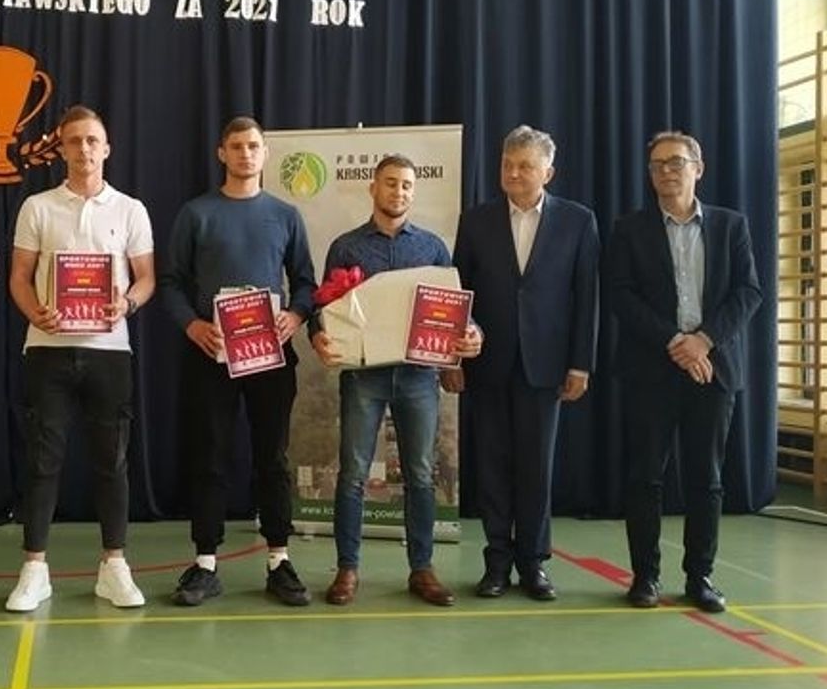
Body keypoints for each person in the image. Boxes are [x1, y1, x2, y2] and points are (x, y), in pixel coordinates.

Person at [309, 155, 483, 607]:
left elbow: (455, 311)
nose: (399, 192)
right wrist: (319, 337)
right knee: (352, 474)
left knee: (421, 475)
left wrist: (470, 335)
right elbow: (322, 309)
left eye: (406, 185)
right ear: (373, 188)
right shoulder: (345, 247)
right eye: (390, 183)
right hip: (363, 377)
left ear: (413, 192)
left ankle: (422, 568)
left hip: (418, 377)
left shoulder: (433, 248)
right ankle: (347, 569)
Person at [159, 116, 318, 607]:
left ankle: (278, 560)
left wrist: (295, 315)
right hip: (212, 354)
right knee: (209, 455)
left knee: (273, 457)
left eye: (253, 146)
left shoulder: (286, 215)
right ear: (221, 153)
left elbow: (306, 283)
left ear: (265, 153)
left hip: (270, 355)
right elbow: (171, 283)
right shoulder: (196, 213)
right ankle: (205, 563)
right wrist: (192, 325)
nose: (245, 154)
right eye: (236, 146)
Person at [4, 105, 155, 611]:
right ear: (61, 149)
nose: (84, 149)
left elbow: (146, 278)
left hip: (110, 352)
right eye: (74, 141)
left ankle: (114, 567)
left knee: (112, 461)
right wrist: (36, 312)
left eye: (92, 140)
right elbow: (19, 277)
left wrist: (127, 303)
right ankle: (34, 569)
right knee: (42, 460)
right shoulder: (37, 207)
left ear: (106, 148)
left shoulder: (130, 209)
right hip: (47, 349)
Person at [607, 130, 761, 613]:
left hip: (712, 369)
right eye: (657, 165)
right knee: (645, 478)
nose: (666, 172)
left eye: (675, 162)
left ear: (699, 168)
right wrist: (676, 341)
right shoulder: (629, 229)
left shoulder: (731, 226)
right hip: (650, 369)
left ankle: (700, 577)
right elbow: (620, 294)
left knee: (706, 479)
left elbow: (748, 292)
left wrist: (703, 340)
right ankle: (645, 577)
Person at [450, 125, 600, 601]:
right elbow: (458, 293)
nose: (513, 173)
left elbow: (587, 299)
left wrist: (580, 364)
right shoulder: (475, 221)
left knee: (537, 468)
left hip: (547, 364)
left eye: (525, 166)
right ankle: (496, 561)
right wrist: (454, 354)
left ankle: (534, 563)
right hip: (487, 362)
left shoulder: (578, 221)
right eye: (507, 164)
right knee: (492, 466)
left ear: (547, 173)